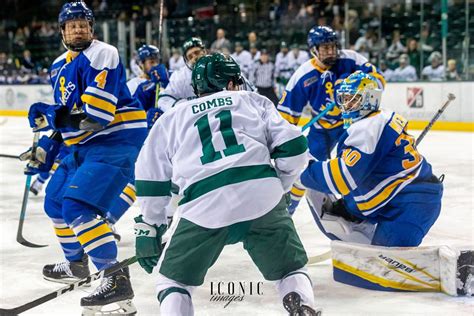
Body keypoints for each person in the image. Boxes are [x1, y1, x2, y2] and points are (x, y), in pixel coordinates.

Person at [134, 52, 320, 316]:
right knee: (290, 269)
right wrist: (281, 185)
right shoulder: (254, 100)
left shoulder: (172, 117)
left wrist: (150, 227)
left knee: (173, 282)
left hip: (203, 206)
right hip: (262, 197)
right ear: (232, 83)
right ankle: (302, 304)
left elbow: (149, 177)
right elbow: (295, 148)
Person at [22, 2, 147, 314]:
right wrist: (49, 147)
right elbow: (68, 118)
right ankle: (77, 264)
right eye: (72, 24)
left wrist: (50, 117)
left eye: (84, 24)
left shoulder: (103, 53)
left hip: (114, 141)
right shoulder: (57, 66)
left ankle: (115, 278)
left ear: (92, 29)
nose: (78, 29)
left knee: (78, 206)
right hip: (83, 147)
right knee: (54, 201)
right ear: (62, 31)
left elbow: (96, 115)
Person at [301, 71, 443, 247]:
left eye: (354, 99)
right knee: (362, 188)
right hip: (403, 196)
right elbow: (366, 179)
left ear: (370, 98)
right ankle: (357, 212)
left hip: (411, 205)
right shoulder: (379, 117)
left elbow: (343, 178)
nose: (347, 105)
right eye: (345, 99)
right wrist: (349, 208)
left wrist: (305, 172)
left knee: (386, 266)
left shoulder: (367, 128)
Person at [278, 25, 385, 214]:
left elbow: (378, 80)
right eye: (325, 48)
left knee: (354, 167)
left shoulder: (351, 59)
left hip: (352, 124)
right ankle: (288, 210)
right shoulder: (303, 76)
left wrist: (353, 87)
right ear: (314, 50)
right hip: (322, 130)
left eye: (332, 46)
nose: (331, 51)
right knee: (302, 170)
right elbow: (285, 118)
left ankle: (357, 208)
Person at [157, 37, 255, 114]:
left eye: (196, 52)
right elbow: (163, 99)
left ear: (204, 51)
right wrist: (181, 107)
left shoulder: (222, 64)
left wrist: (234, 94)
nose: (194, 57)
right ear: (186, 60)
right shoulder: (179, 76)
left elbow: (251, 91)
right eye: (190, 56)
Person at [126, 44, 169, 127]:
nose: (156, 65)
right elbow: (130, 114)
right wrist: (146, 115)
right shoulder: (132, 85)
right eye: (152, 62)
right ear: (141, 64)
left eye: (157, 61)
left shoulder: (165, 78)